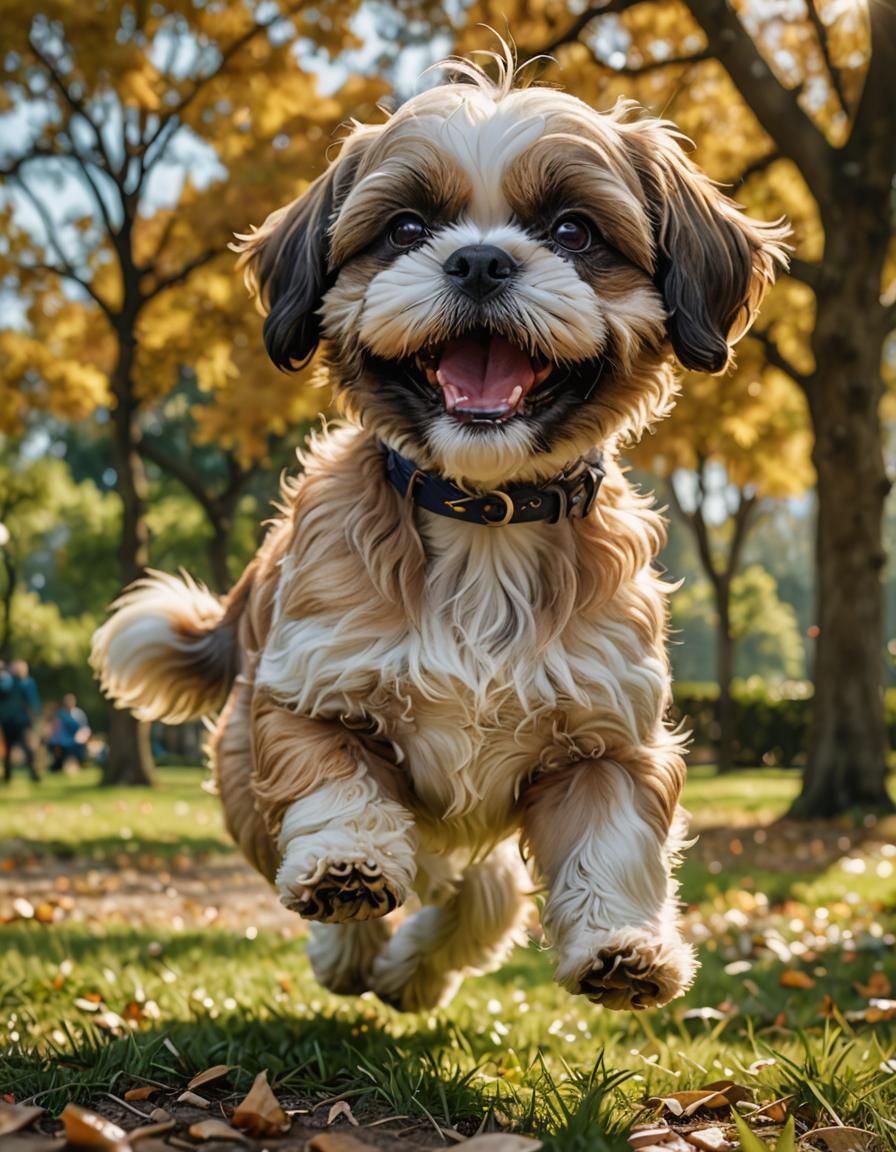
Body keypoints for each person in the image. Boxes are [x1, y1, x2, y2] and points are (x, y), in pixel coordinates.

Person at [0, 659, 40, 782]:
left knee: (28, 748)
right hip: (9, 721)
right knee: (9, 749)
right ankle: (8, 775)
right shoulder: (8, 681)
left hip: (22, 722)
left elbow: (33, 702)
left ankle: (34, 773)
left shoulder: (27, 683)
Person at [47, 693, 91, 774]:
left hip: (76, 738)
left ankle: (80, 763)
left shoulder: (79, 714)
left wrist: (81, 737)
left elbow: (84, 728)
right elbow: (56, 729)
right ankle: (58, 764)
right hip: (63, 739)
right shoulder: (60, 714)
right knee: (57, 746)